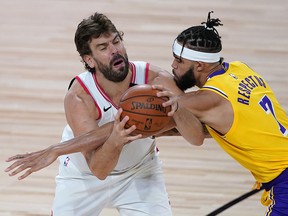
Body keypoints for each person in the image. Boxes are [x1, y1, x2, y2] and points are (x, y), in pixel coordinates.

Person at [5, 12, 204, 216]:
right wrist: (116, 140)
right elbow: (99, 170)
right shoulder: (80, 97)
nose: (114, 51)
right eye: (103, 47)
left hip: (140, 171)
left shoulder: (155, 80)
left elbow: (197, 136)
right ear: (89, 60)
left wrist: (179, 110)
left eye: (116, 41)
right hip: (83, 177)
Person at [153, 11, 288, 216]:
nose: (173, 65)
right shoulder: (241, 69)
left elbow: (163, 119)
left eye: (178, 60)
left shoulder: (208, 99)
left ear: (199, 65)